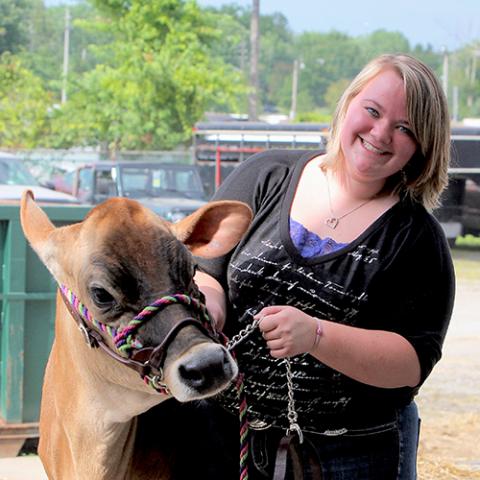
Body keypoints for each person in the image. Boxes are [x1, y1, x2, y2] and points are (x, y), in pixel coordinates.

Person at [193, 53, 455, 480]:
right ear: (348, 104)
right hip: (227, 435)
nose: (380, 133)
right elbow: (205, 270)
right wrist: (210, 308)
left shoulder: (417, 239)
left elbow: (411, 364)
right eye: (372, 111)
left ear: (422, 146)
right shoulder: (265, 176)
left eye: (404, 128)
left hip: (353, 454)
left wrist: (316, 335)